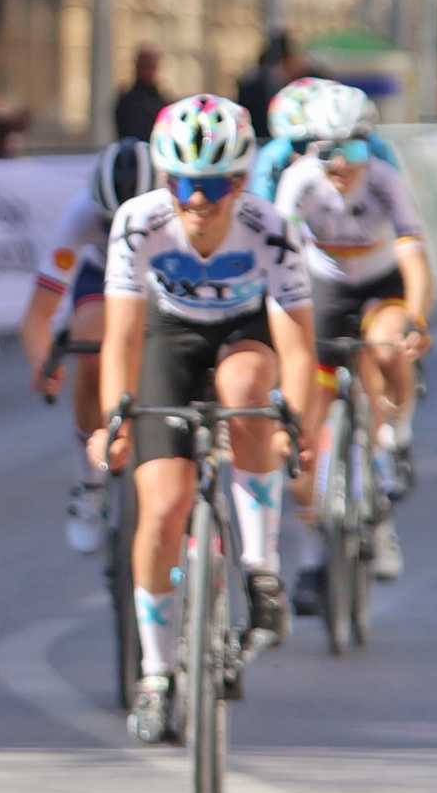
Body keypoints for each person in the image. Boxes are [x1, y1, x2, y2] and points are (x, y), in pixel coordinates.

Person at [89, 95, 315, 745]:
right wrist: (113, 420)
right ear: (164, 180)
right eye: (182, 183)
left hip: (242, 334)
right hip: (169, 336)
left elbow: (296, 342)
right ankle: (156, 673)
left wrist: (291, 423)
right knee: (161, 507)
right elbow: (122, 338)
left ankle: (259, 564)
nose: (196, 200)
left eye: (213, 185)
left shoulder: (269, 227)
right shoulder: (138, 223)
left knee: (246, 386)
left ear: (240, 183)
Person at [273, 82, 433, 587]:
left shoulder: (385, 180)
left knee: (388, 345)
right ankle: (313, 552)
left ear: (370, 147)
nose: (341, 165)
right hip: (324, 287)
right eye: (327, 152)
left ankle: (397, 437)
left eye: (354, 150)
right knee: (303, 432)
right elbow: (279, 259)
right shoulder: (299, 182)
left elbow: (415, 259)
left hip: (380, 282)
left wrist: (418, 320)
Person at [21, 139, 158, 553]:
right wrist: (43, 365)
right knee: (88, 340)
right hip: (103, 278)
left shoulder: (179, 206)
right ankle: (90, 483)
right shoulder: (80, 214)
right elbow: (38, 315)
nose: (122, 230)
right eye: (109, 222)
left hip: (161, 277)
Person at [113, 44, 171, 144]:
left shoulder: (160, 99)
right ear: (138, 67)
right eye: (147, 66)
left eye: (153, 66)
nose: (150, 71)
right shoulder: (128, 101)